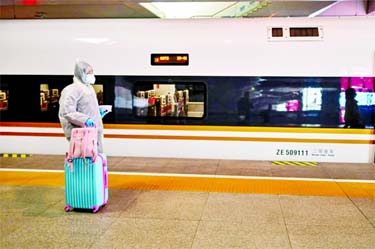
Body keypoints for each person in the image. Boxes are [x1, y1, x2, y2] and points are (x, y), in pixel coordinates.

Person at [58, 60, 105, 153]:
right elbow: (67, 112)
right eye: (89, 73)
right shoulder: (71, 90)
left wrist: (98, 113)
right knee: (85, 162)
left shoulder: (89, 88)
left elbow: (86, 108)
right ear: (81, 74)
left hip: (93, 133)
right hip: (81, 135)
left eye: (92, 72)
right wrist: (85, 120)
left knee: (96, 161)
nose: (92, 75)